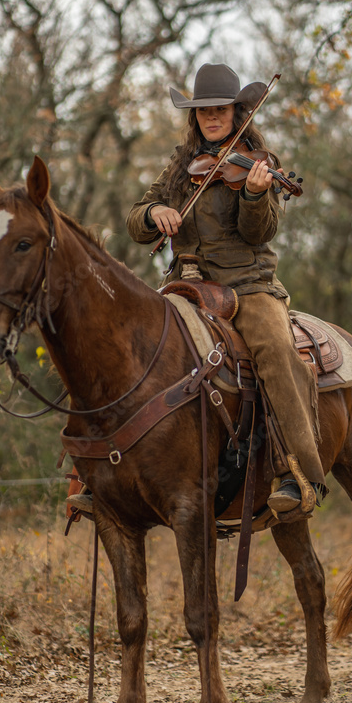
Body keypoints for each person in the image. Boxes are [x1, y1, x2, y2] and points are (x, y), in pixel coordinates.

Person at [125, 63, 327, 516]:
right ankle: (118, 477)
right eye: (203, 111)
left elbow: (260, 234)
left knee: (275, 351)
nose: (212, 117)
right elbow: (136, 217)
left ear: (238, 113)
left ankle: (302, 476)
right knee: (136, 346)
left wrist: (255, 197)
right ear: (194, 116)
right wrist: (155, 210)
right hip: (186, 285)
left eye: (221, 110)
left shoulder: (256, 167)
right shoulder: (180, 167)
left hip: (248, 286)